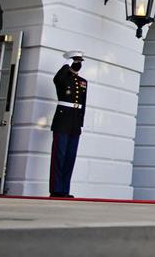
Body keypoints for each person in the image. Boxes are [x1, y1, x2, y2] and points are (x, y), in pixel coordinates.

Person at [50, 50, 87, 198]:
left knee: (70, 157)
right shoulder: (63, 79)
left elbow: (83, 103)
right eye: (75, 61)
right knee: (59, 156)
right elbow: (57, 78)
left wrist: (80, 124)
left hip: (75, 122)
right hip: (62, 120)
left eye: (80, 62)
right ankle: (56, 189)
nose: (78, 64)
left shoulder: (83, 82)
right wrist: (67, 64)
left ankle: (64, 189)